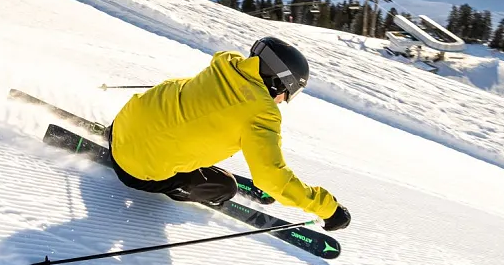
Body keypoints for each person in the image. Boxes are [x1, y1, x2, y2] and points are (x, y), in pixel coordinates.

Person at [108, 37, 352, 232]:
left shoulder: (225, 65)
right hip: (137, 171)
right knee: (226, 187)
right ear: (277, 83)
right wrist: (328, 209)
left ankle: (134, 144)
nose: (284, 101)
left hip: (121, 124)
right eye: (289, 93)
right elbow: (272, 179)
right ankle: (181, 183)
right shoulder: (261, 114)